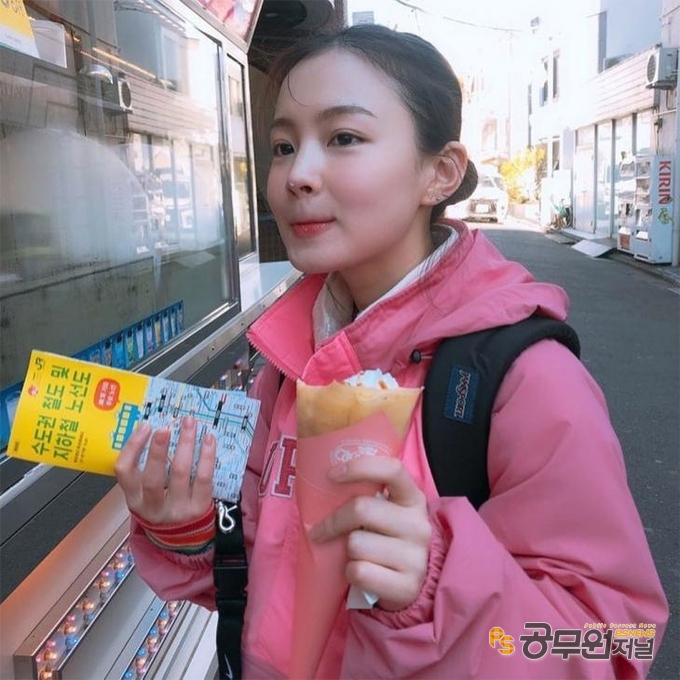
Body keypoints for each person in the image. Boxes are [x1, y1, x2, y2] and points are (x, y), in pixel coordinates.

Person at [114, 24, 668, 679]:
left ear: (441, 172)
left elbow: (616, 643)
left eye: (344, 138)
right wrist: (188, 529)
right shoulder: (289, 364)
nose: (298, 175)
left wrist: (438, 587)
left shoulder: (523, 378)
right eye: (284, 146)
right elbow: (269, 591)